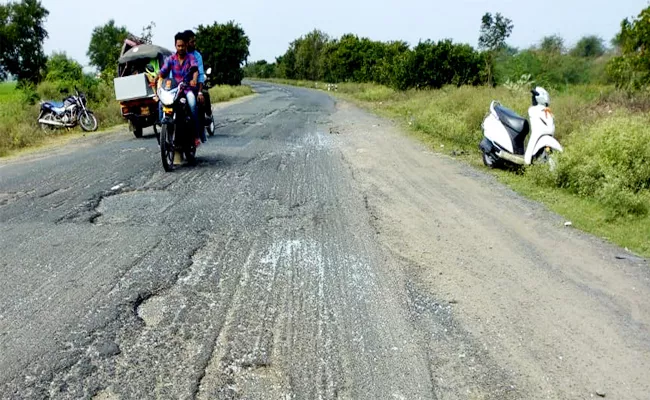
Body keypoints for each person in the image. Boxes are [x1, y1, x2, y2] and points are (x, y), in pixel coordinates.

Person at [155, 32, 201, 146]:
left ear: (186, 45)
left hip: (186, 89)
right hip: (173, 90)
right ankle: (163, 130)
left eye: (182, 46)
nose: (180, 48)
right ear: (175, 45)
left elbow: (195, 70)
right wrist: (155, 79)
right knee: (161, 104)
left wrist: (194, 79)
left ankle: (195, 134)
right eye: (178, 46)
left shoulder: (191, 58)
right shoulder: (171, 59)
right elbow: (162, 72)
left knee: (192, 103)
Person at [184, 29, 212, 143]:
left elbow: (199, 74)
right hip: (181, 87)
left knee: (201, 98)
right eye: (192, 41)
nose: (194, 44)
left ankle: (199, 132)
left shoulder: (196, 56)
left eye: (194, 41)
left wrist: (199, 91)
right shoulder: (176, 56)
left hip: (194, 87)